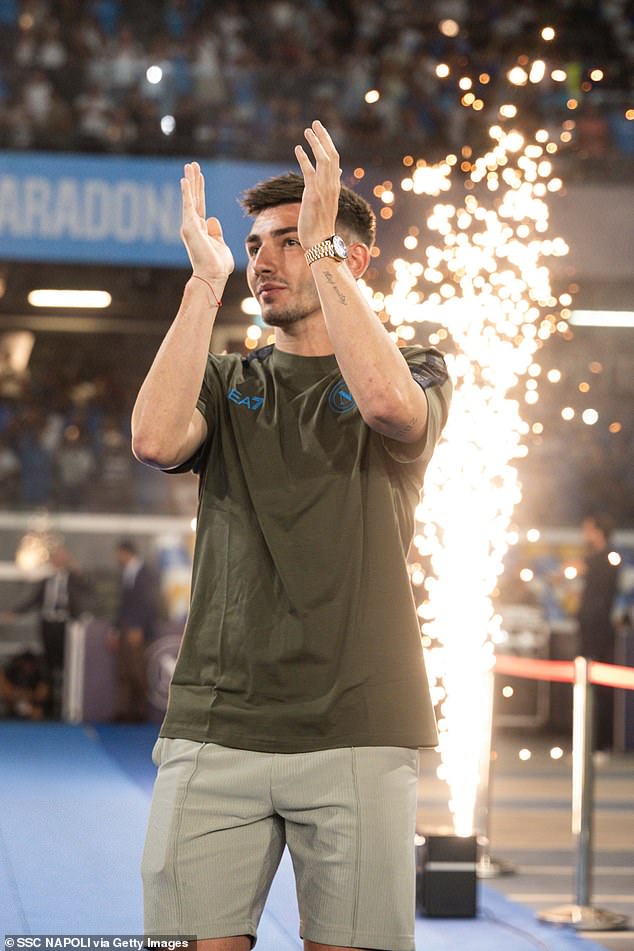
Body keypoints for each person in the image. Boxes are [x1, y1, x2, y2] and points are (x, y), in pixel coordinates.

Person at [133, 120, 452, 951]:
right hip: (214, 724)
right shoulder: (229, 377)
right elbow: (155, 440)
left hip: (357, 728)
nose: (264, 260)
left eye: (291, 240)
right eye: (254, 244)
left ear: (353, 255)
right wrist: (204, 286)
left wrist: (324, 254)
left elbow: (386, 406)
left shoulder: (416, 364)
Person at [2, 544, 90, 718]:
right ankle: (49, 707)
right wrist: (14, 613)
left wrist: (80, 574)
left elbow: (88, 593)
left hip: (67, 627)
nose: (58, 561)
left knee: (69, 665)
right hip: (48, 626)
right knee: (49, 665)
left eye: (62, 558)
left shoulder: (74, 579)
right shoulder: (46, 581)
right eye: (56, 558)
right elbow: (33, 601)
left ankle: (68, 704)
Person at [576, 513, 620, 751]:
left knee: (599, 684)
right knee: (587, 684)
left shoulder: (607, 558)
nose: (584, 534)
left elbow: (579, 567)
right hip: (589, 627)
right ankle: (589, 740)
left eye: (587, 529)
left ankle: (602, 742)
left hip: (600, 629)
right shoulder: (594, 558)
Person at [108, 539, 159, 723]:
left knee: (137, 670)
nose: (117, 558)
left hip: (137, 630)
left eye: (118, 554)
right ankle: (124, 712)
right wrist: (115, 630)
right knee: (123, 671)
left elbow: (148, 603)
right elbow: (123, 605)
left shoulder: (145, 573)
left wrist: (138, 627)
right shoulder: (127, 573)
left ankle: (139, 712)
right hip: (125, 628)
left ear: (126, 552)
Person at [0, 648, 50, 719]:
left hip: (31, 705)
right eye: (25, 663)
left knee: (37, 712)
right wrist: (17, 695)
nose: (27, 666)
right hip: (11, 704)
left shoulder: (40, 675)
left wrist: (27, 696)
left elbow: (41, 695)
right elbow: (5, 691)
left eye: (30, 664)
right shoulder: (10, 672)